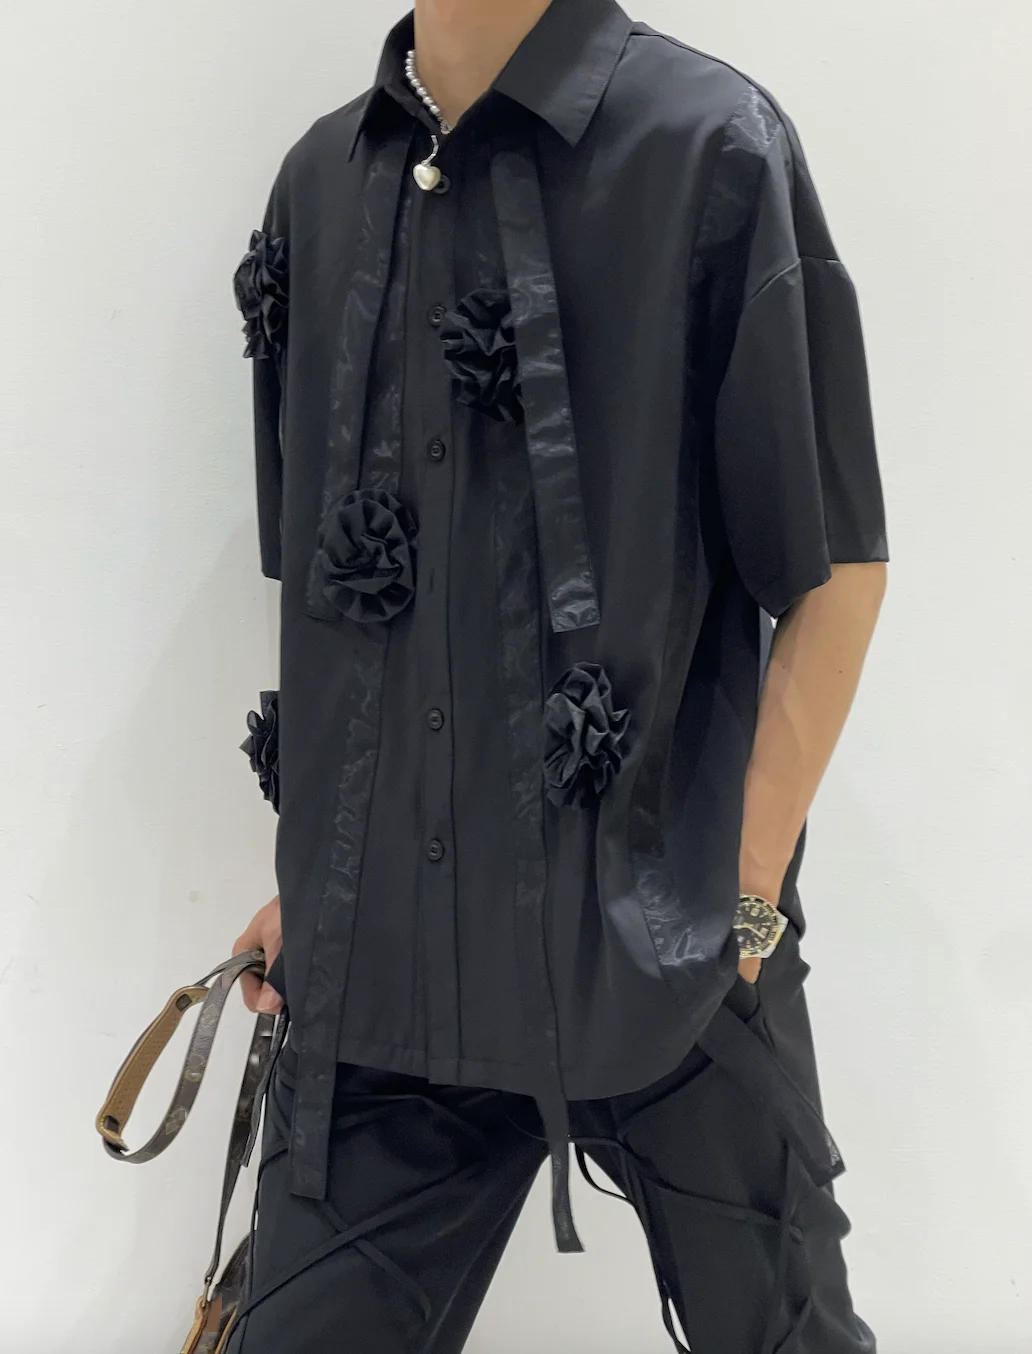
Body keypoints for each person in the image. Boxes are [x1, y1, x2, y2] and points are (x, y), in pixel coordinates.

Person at [228, 1, 889, 1349]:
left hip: (671, 949)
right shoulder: (317, 187)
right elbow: (338, 608)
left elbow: (835, 567)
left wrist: (743, 897)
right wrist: (321, 884)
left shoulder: (713, 149)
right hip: (391, 977)